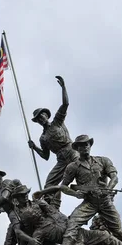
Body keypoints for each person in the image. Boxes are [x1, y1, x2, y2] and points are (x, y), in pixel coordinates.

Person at [28, 76, 78, 207]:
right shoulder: (42, 138)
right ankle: (53, 206)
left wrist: (63, 88)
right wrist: (34, 147)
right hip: (61, 160)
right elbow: (45, 156)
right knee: (49, 184)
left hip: (72, 151)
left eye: (42, 115)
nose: (41, 118)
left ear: (46, 115)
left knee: (82, 168)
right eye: (38, 118)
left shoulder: (57, 122)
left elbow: (65, 104)